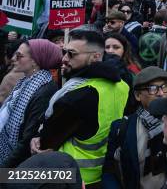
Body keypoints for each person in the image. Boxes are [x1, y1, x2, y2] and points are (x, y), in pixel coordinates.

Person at [31, 29, 130, 187]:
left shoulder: (77, 97)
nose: (64, 59)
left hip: (66, 177)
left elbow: (45, 144)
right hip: (101, 175)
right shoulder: (122, 86)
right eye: (64, 52)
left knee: (9, 178)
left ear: (96, 56)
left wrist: (36, 139)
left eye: (71, 54)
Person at [102, 67, 167, 189]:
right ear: (138, 95)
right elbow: (109, 171)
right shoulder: (122, 128)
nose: (160, 93)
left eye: (164, 87)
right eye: (152, 89)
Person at [0, 40, 62, 167]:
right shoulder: (24, 82)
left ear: (35, 61)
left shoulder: (44, 90)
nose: (13, 59)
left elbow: (28, 138)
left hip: (17, 164)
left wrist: (3, 170)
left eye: (19, 56)